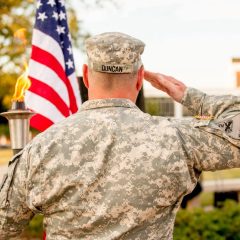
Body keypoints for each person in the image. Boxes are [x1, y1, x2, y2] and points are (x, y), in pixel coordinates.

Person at [0, 32, 240, 240]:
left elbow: (5, 225)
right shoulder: (175, 138)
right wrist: (190, 96)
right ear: (139, 78)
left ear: (86, 73)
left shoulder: (42, 147)